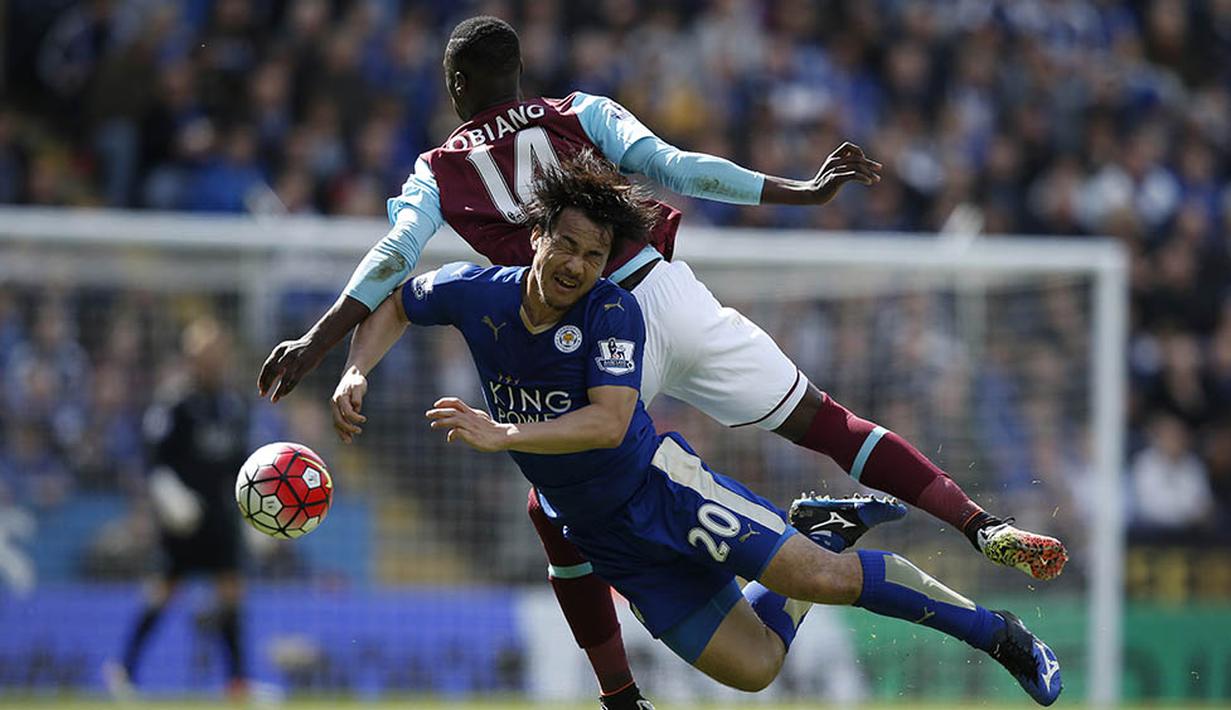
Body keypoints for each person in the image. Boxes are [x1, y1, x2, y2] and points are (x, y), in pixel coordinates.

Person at [259, 15, 1068, 709]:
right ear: (519, 74)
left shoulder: (439, 169)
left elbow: (395, 257)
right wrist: (800, 190)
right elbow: (681, 170)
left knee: (557, 501)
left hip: (579, 317)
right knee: (826, 422)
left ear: (455, 84)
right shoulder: (579, 110)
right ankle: (975, 522)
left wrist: (321, 346)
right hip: (669, 293)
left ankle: (639, 667)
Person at [105, 317, 250, 699]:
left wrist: (250, 514)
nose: (215, 362)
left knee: (232, 592)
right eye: (206, 355)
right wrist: (169, 495)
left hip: (219, 516)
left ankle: (238, 683)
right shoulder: (175, 403)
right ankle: (124, 670)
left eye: (219, 354)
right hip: (182, 519)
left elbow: (244, 464)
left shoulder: (233, 405)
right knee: (163, 591)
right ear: (192, 358)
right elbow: (155, 458)